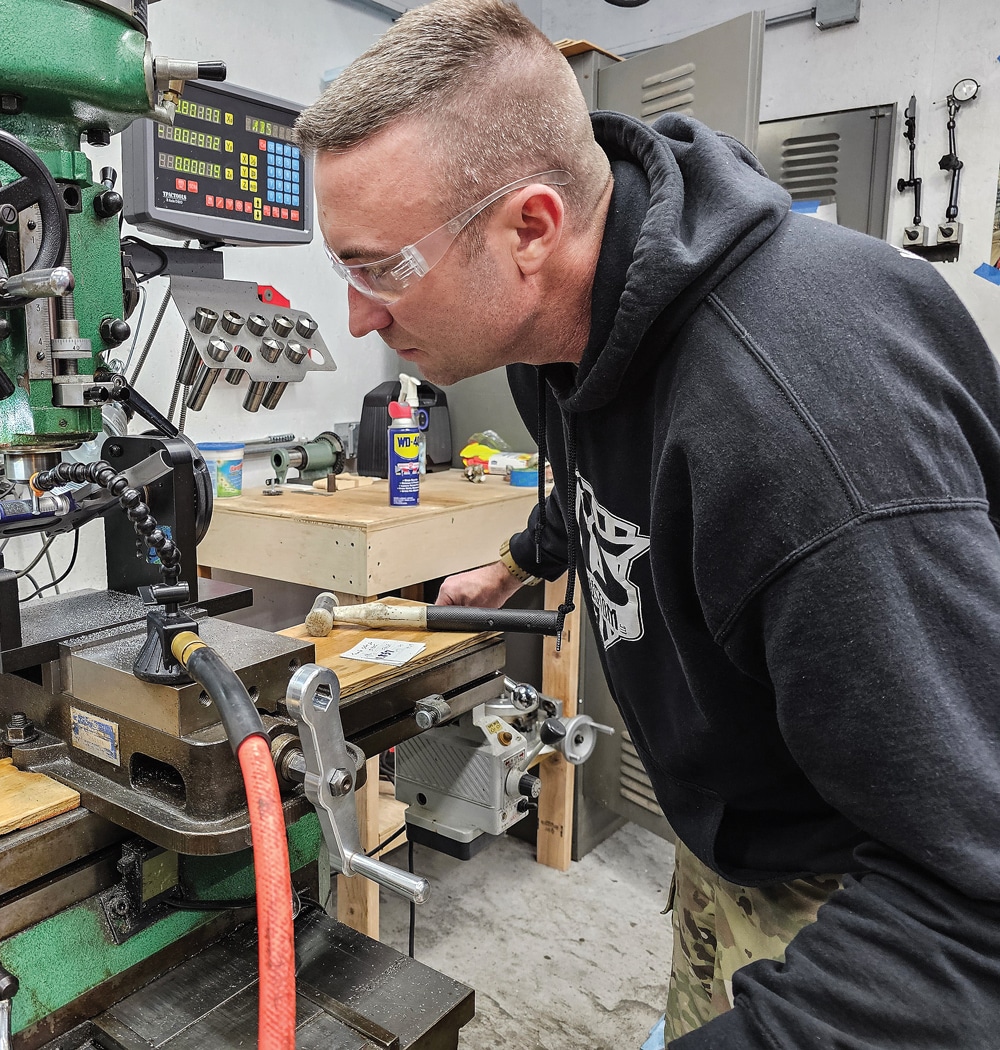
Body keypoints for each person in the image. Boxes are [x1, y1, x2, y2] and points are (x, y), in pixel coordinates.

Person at [295, 1, 1000, 1046]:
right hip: (732, 839)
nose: (356, 316)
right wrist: (515, 562)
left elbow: (969, 903)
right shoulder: (560, 335)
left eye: (378, 267)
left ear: (528, 228)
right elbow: (599, 479)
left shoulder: (805, 430)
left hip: (868, 899)